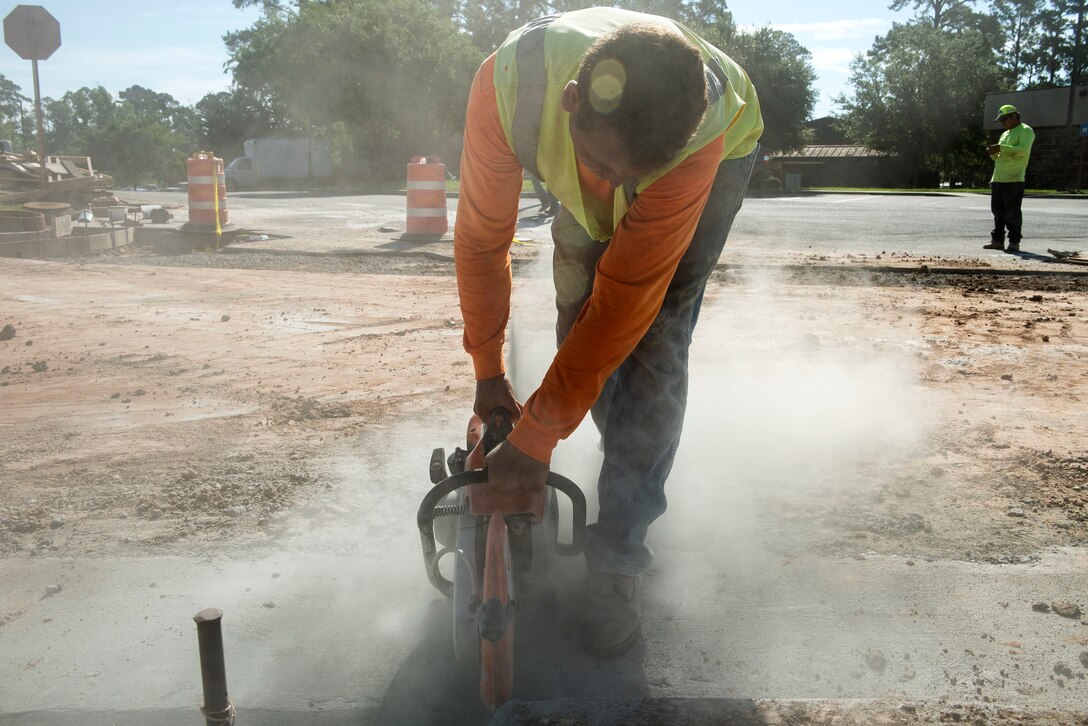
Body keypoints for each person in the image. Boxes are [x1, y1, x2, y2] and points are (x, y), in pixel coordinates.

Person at [454, 7, 762, 657]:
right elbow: (483, 241)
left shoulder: (698, 131)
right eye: (599, 162)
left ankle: (620, 551)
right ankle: (623, 461)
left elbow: (626, 301)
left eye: (628, 177)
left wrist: (536, 435)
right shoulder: (507, 88)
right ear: (571, 104)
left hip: (717, 159)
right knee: (577, 323)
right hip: (592, 134)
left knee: (652, 341)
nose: (612, 189)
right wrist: (489, 375)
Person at [983, 104, 1035, 253]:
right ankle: (997, 240)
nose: (1003, 123)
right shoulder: (1005, 134)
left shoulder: (1026, 130)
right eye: (1000, 121)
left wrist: (1001, 148)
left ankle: (1014, 241)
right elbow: (999, 157)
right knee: (998, 212)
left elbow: (1022, 151)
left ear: (1014, 116)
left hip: (1014, 179)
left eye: (1004, 119)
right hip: (998, 178)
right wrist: (993, 153)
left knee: (1012, 213)